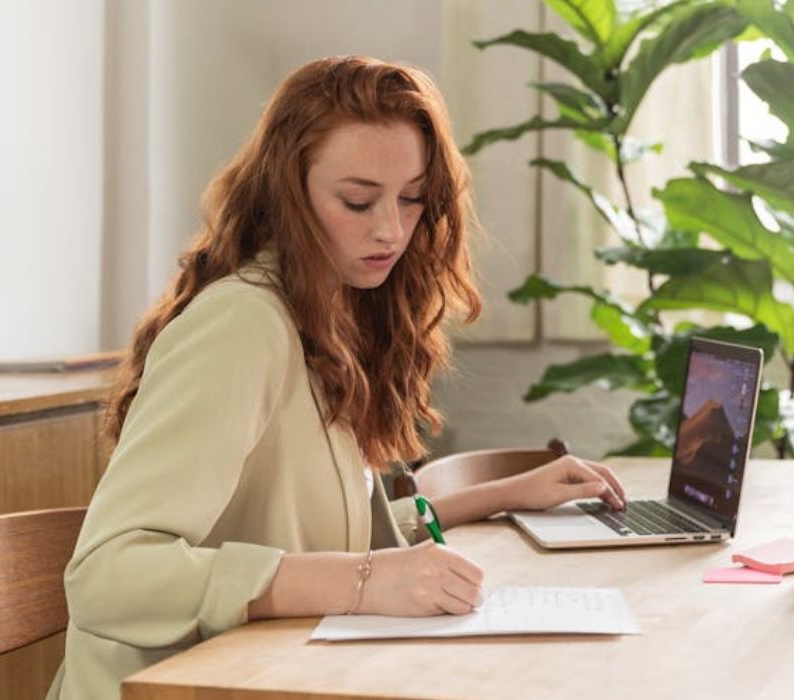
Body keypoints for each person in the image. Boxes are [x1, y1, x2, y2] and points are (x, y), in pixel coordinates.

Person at [46, 55, 625, 700]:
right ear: (287, 194)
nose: (390, 229)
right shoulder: (242, 325)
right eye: (357, 200)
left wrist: (506, 493)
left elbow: (332, 541)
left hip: (277, 675)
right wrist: (365, 582)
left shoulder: (330, 317)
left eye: (411, 199)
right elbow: (105, 578)